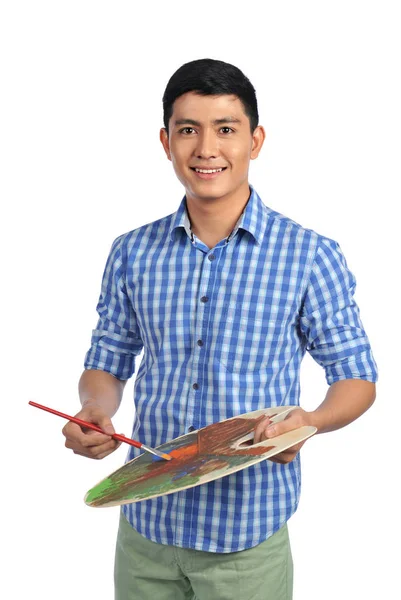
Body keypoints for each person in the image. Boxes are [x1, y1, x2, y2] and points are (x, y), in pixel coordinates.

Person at [62, 58, 378, 600]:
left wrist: (310, 423)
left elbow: (357, 377)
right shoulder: (132, 252)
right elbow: (108, 360)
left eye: (225, 129)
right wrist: (98, 409)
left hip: (245, 539)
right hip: (146, 528)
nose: (206, 148)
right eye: (188, 129)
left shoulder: (309, 256)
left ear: (255, 141)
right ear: (166, 142)